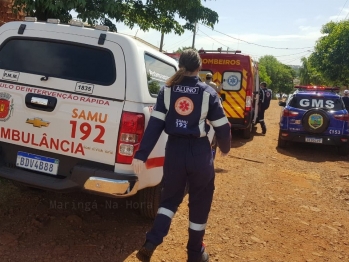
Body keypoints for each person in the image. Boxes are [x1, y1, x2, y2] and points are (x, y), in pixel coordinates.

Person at [132, 49, 231, 262]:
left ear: (180, 66)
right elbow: (223, 128)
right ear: (199, 66)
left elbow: (154, 127)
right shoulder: (208, 93)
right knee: (200, 201)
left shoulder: (166, 91)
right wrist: (225, 148)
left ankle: (151, 241)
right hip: (199, 154)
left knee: (169, 200)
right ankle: (195, 253)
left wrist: (141, 155)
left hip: (174, 151)